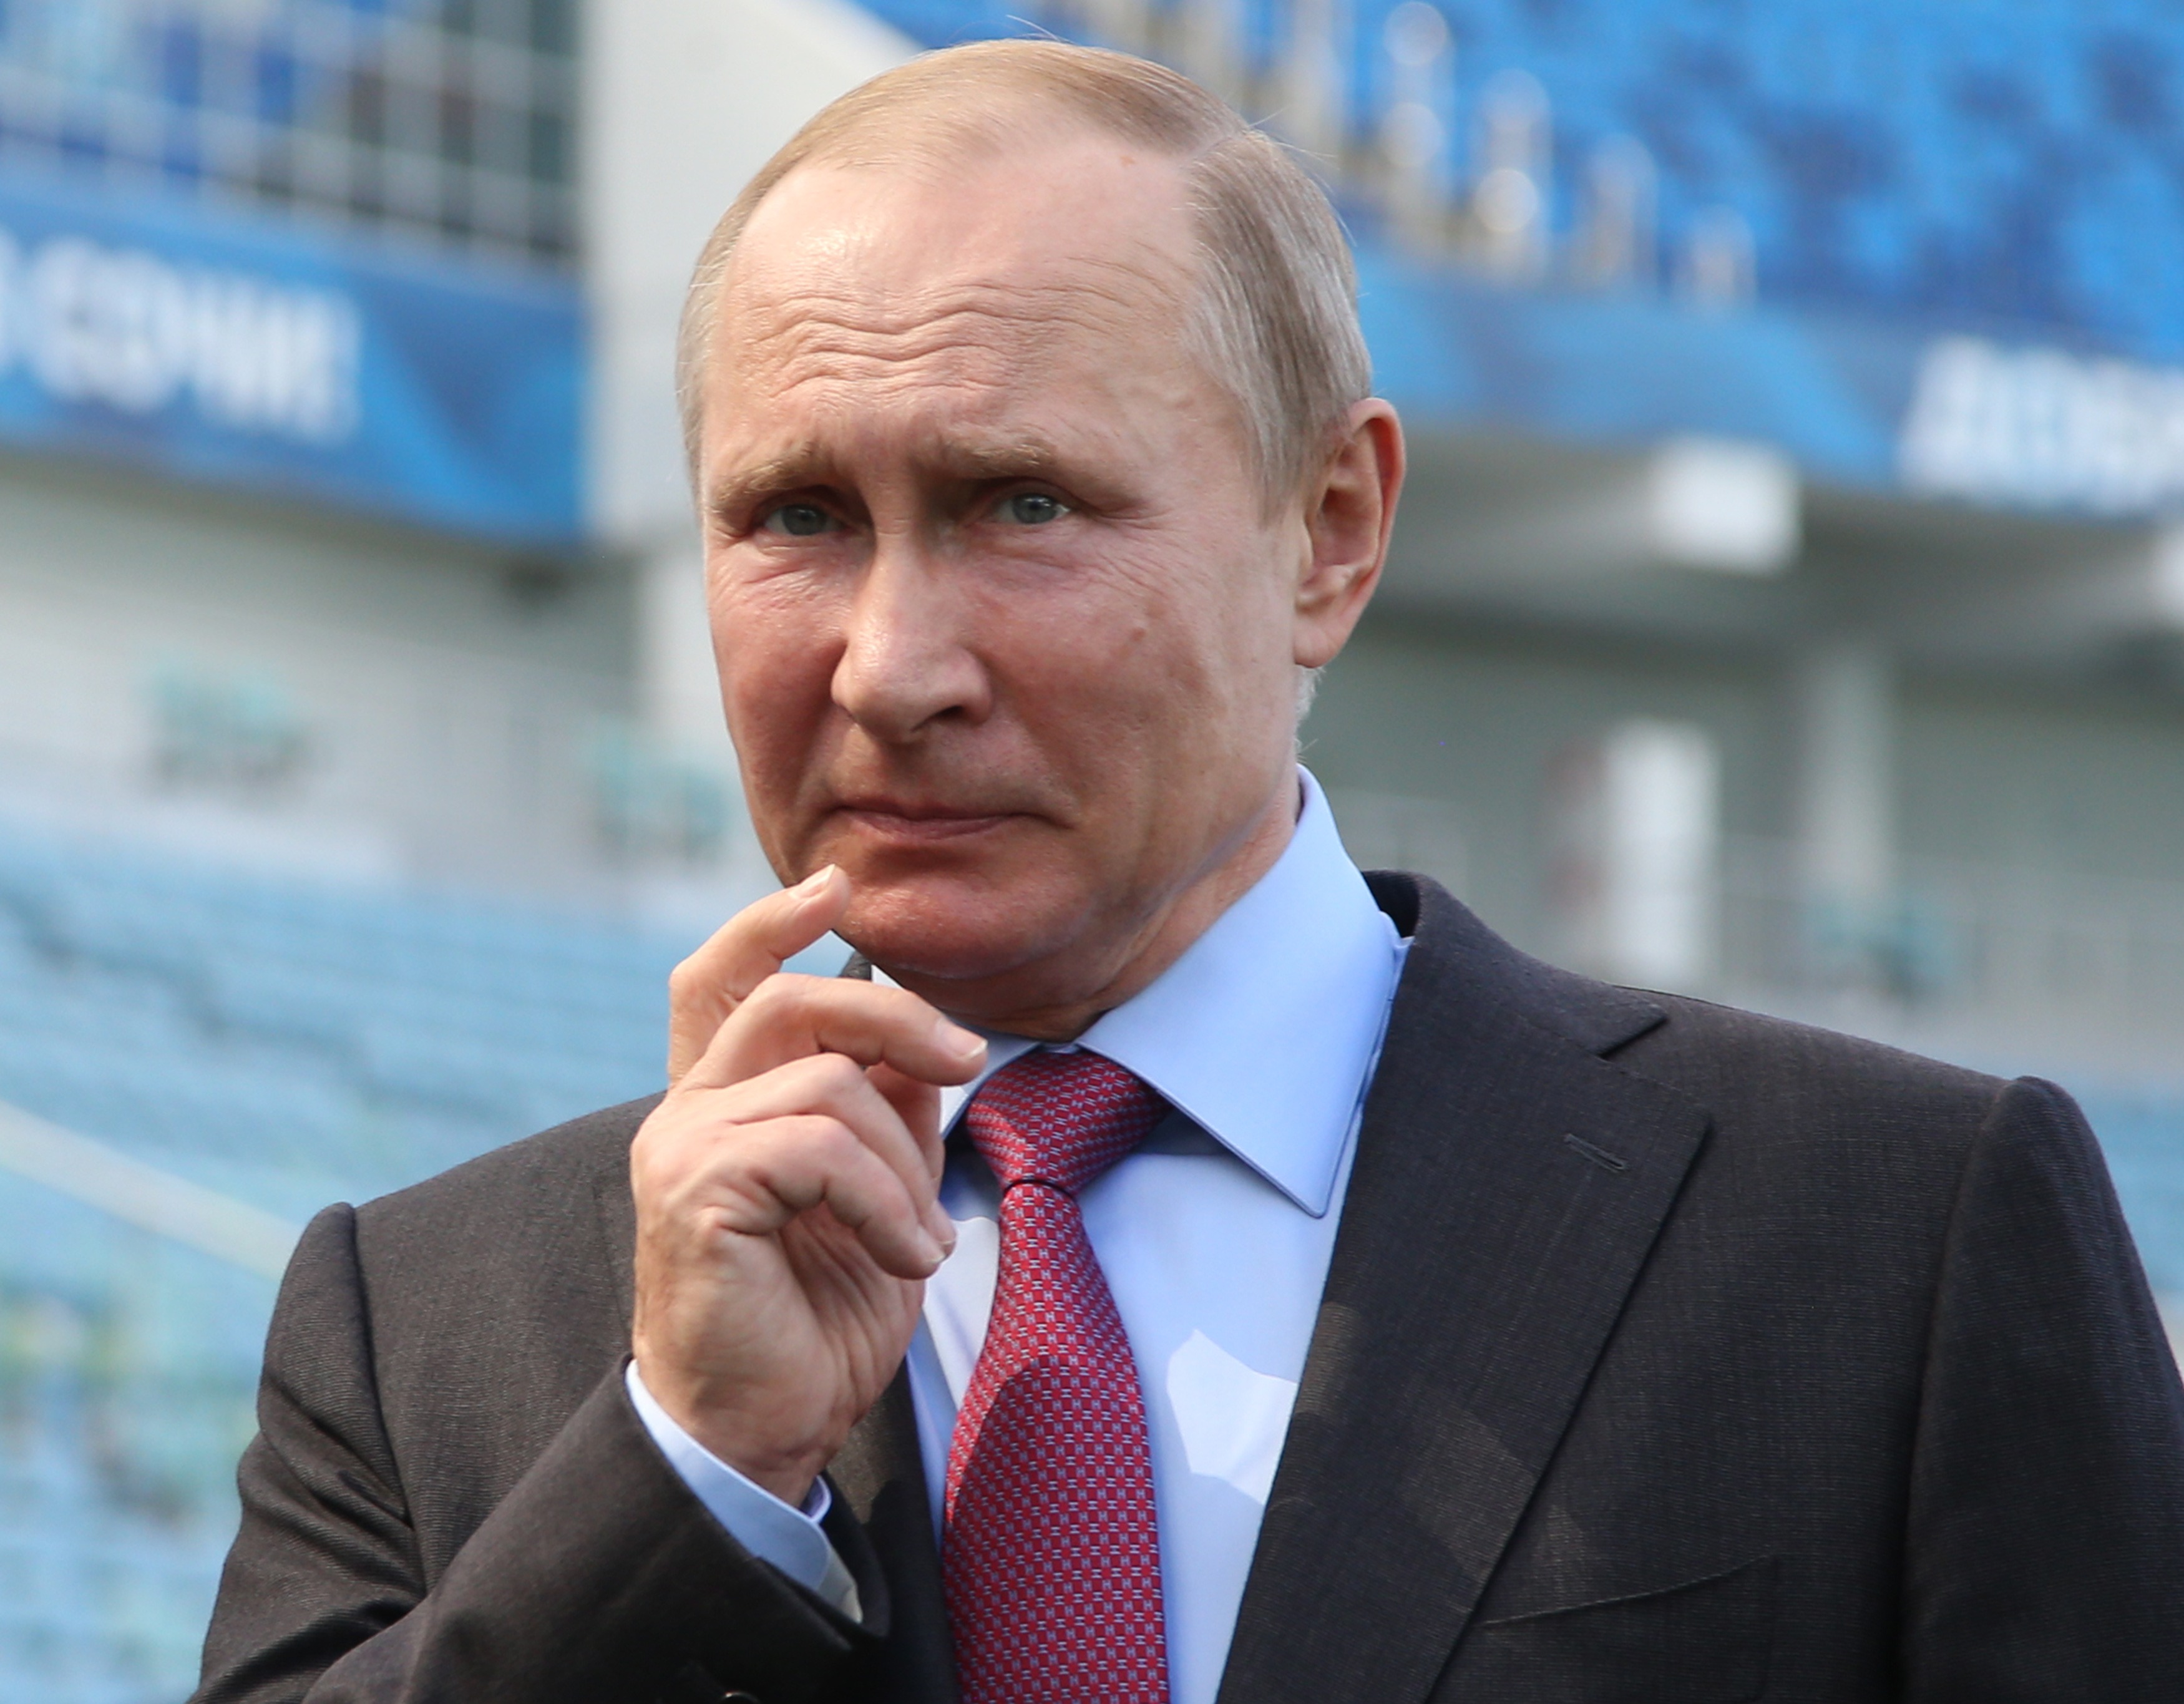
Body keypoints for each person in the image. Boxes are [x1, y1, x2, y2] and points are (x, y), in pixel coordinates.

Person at [194, 39, 2184, 1704]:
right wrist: (688, 1478)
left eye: (1019, 501)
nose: (887, 667)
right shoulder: (427, 1325)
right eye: (796, 514)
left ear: (1329, 530)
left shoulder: (1888, 1239)